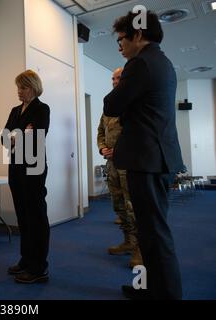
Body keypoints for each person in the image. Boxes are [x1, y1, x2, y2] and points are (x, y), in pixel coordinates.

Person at [104, 11, 183, 299]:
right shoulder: (161, 61)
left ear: (137, 35)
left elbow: (111, 105)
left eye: (122, 39)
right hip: (154, 158)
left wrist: (121, 94)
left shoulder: (140, 64)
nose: (120, 46)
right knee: (150, 233)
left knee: (155, 235)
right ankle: (150, 289)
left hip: (146, 160)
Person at [3, 70, 50, 284]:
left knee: (36, 216)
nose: (19, 92)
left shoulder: (42, 109)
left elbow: (36, 137)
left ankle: (39, 267)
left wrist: (17, 135)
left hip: (34, 168)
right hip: (16, 168)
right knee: (22, 214)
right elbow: (4, 138)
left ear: (33, 87)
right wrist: (22, 133)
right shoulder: (15, 110)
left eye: (23, 87)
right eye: (18, 88)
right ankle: (26, 259)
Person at [97, 67, 142, 268]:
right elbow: (100, 131)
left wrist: (119, 150)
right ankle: (127, 241)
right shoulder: (110, 106)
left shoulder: (134, 103)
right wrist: (103, 148)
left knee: (133, 206)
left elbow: (137, 132)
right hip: (112, 165)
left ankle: (139, 249)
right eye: (113, 78)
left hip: (129, 164)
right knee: (119, 205)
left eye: (118, 78)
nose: (115, 81)